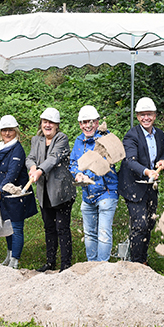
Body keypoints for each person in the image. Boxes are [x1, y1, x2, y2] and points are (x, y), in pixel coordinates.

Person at [118, 97, 164, 264]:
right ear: (138, 116)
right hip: (133, 186)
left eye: (149, 114)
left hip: (150, 186)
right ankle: (136, 263)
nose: (146, 118)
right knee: (140, 224)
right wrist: (147, 171)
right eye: (142, 115)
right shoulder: (131, 135)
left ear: (154, 115)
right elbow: (129, 161)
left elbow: (162, 154)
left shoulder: (159, 134)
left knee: (150, 222)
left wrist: (162, 162)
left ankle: (143, 259)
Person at [26, 108, 77, 272]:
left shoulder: (62, 138)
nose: (47, 125)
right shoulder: (36, 140)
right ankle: (50, 262)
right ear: (41, 124)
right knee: (49, 227)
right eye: (44, 122)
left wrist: (39, 171)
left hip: (61, 192)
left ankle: (65, 264)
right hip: (44, 192)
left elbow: (54, 158)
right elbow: (31, 158)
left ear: (57, 125)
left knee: (62, 228)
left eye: (51, 122)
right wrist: (32, 167)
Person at [69, 105, 119, 262]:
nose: (87, 126)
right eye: (83, 122)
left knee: (103, 233)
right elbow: (73, 163)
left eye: (90, 122)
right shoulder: (79, 141)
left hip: (107, 193)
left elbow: (108, 162)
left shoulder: (107, 138)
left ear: (97, 122)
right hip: (87, 195)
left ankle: (102, 267)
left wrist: (88, 173)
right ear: (80, 124)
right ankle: (92, 266)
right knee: (89, 233)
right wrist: (77, 173)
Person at [0, 115, 38, 269]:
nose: (7, 133)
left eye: (10, 130)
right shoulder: (1, 148)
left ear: (16, 131)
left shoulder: (17, 150)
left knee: (16, 228)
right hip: (3, 194)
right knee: (6, 226)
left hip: (16, 194)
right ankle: (9, 254)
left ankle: (15, 260)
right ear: (0, 132)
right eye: (4, 130)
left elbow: (12, 174)